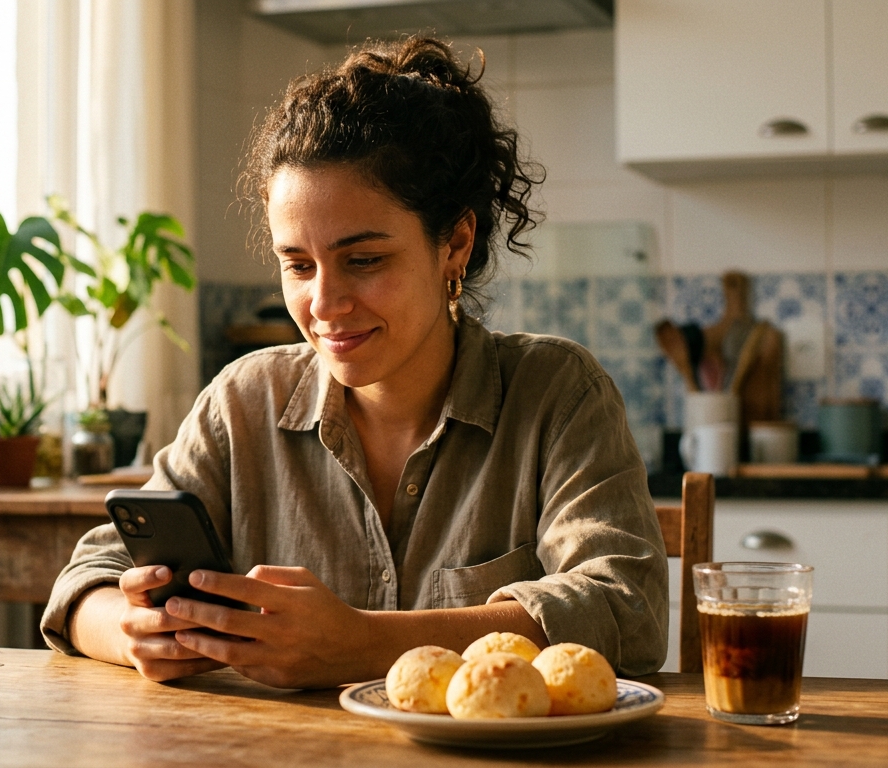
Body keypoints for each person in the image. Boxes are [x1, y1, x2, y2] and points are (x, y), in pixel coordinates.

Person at [41, 36, 667, 689]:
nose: (324, 303)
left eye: (363, 261)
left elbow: (626, 608)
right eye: (298, 265)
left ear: (455, 244)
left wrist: (362, 644)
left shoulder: (557, 393)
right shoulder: (242, 401)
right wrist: (132, 631)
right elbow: (85, 585)